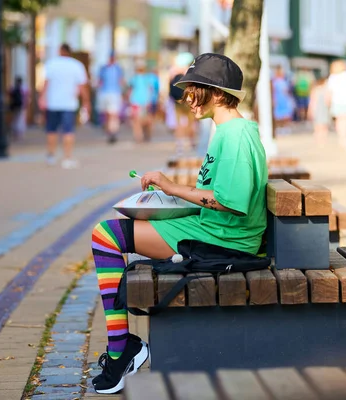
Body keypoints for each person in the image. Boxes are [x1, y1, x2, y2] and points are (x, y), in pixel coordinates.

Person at [90, 53, 268, 394]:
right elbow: (216, 194)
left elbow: (232, 202)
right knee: (110, 231)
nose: (186, 98)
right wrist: (166, 203)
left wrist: (171, 188)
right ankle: (122, 346)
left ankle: (121, 350)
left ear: (217, 94)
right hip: (214, 229)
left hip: (224, 240)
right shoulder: (227, 132)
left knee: (105, 236)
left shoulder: (235, 137)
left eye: (194, 90)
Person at [39, 43, 90, 169]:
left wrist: (42, 97)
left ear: (59, 51)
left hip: (53, 103)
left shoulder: (51, 64)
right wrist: (86, 101)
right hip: (69, 103)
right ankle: (67, 157)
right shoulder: (77, 65)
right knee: (68, 131)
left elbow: (46, 83)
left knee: (51, 130)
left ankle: (51, 155)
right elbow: (82, 86)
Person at [168, 52, 197, 155]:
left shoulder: (173, 74)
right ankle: (191, 143)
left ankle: (179, 145)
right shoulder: (190, 75)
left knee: (179, 124)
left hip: (177, 103)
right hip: (188, 103)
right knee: (191, 123)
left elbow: (170, 91)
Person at [327, 60, 346, 147]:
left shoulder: (332, 77)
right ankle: (345, 136)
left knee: (339, 120)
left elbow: (329, 92)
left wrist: (328, 101)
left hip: (336, 102)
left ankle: (342, 137)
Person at [98, 52, 124, 144]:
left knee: (113, 114)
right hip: (105, 93)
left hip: (114, 94)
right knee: (107, 114)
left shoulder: (118, 69)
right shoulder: (104, 68)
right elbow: (100, 81)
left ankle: (113, 132)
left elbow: (121, 81)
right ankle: (109, 131)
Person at [128, 61, 155, 143]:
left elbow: (130, 90)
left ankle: (138, 136)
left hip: (135, 102)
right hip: (145, 102)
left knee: (136, 120)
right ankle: (145, 135)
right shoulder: (147, 78)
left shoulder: (134, 79)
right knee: (146, 120)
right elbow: (150, 90)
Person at [272, 65, 294, 135]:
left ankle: (284, 127)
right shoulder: (275, 81)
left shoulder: (282, 81)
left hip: (283, 99)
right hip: (279, 99)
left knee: (285, 114)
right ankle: (280, 127)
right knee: (279, 115)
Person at [308, 77, 330, 146]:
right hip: (323, 109)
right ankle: (323, 139)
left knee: (317, 125)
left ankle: (318, 139)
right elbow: (328, 101)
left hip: (316, 109)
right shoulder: (325, 90)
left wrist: (310, 110)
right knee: (324, 126)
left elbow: (312, 101)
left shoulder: (315, 90)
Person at [9, 76, 28, 141]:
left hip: (15, 106)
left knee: (16, 119)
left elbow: (10, 94)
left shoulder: (13, 88)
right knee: (20, 119)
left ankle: (16, 133)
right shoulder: (24, 88)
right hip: (21, 106)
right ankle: (20, 133)